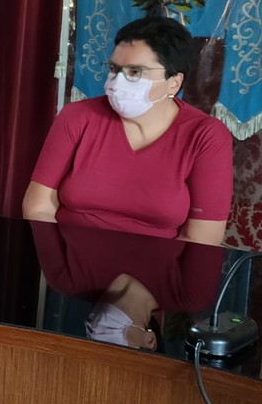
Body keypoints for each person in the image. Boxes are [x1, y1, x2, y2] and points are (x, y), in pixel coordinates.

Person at [23, 15, 233, 245]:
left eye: (135, 72)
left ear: (174, 82)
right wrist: (58, 262)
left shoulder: (206, 136)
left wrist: (149, 272)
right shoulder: (77, 117)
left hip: (156, 266)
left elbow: (202, 238)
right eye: (114, 69)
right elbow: (39, 206)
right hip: (69, 259)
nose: (117, 82)